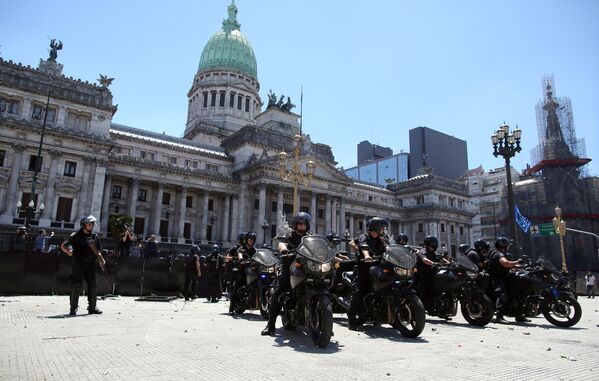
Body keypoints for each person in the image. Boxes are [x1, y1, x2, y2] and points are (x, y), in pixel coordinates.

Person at [261, 212, 311, 336]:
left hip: (305, 268)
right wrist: (284, 249)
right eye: (299, 224)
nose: (302, 227)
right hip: (289, 265)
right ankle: (270, 324)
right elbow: (281, 243)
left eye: (304, 224)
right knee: (280, 290)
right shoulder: (288, 234)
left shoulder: (310, 238)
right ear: (295, 224)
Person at [346, 217, 390, 330]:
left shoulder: (381, 239)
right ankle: (351, 319)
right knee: (358, 291)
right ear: (375, 228)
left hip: (377, 267)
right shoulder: (363, 237)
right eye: (382, 228)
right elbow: (364, 246)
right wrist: (366, 255)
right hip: (363, 268)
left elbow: (388, 247)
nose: (383, 230)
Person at [60, 215, 105, 315]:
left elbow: (98, 250)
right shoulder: (76, 235)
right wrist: (68, 251)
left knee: (93, 285)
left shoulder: (95, 236)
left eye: (92, 224)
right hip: (79, 263)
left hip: (91, 264)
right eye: (88, 224)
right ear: (84, 225)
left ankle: (92, 308)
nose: (90, 226)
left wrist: (101, 259)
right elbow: (63, 246)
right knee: (76, 285)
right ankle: (73, 308)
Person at [488, 237, 524, 323]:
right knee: (502, 295)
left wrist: (521, 266)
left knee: (516, 293)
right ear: (503, 245)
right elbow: (505, 263)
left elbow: (508, 265)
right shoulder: (498, 254)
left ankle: (519, 315)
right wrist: (517, 261)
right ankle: (499, 317)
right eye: (506, 245)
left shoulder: (498, 253)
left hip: (504, 276)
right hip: (497, 278)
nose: (508, 246)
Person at [414, 236, 447, 312]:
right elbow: (424, 259)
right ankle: (424, 307)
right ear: (428, 244)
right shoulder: (422, 251)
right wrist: (433, 263)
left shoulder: (432, 253)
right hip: (422, 277)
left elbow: (440, 258)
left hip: (431, 276)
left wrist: (449, 263)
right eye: (433, 243)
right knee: (425, 292)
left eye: (435, 243)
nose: (434, 245)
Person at [229, 231, 257, 314]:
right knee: (237, 286)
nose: (251, 241)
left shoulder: (255, 250)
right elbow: (240, 254)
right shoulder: (241, 249)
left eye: (253, 239)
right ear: (246, 240)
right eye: (250, 239)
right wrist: (241, 259)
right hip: (242, 271)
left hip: (252, 271)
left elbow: (259, 256)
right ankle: (231, 308)